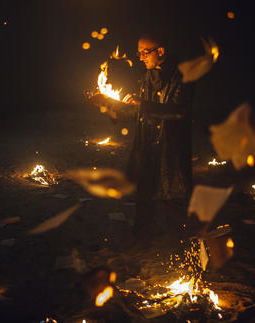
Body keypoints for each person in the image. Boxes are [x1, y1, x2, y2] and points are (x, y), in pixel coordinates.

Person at [87, 33, 216, 244]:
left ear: (161, 51)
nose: (140, 57)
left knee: (172, 198)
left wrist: (142, 104)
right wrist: (107, 104)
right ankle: (141, 240)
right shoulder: (147, 78)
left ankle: (178, 244)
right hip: (146, 144)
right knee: (144, 195)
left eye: (144, 53)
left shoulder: (182, 76)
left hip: (170, 146)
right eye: (138, 53)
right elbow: (139, 112)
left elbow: (178, 111)